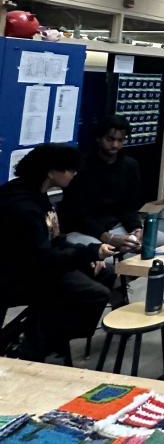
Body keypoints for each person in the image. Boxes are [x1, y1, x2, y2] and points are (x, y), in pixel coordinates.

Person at [0, 144, 112, 360]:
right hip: (16, 274)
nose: (74, 173)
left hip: (38, 265)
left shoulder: (39, 194)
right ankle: (30, 344)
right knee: (95, 294)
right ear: (51, 172)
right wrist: (88, 254)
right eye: (70, 169)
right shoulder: (22, 206)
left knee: (106, 273)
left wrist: (89, 253)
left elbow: (56, 240)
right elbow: (42, 257)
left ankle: (45, 338)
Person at [58, 114, 144, 256]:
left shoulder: (130, 166)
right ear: (99, 138)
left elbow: (129, 206)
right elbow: (77, 214)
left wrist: (136, 228)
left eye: (120, 140)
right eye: (110, 139)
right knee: (105, 256)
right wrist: (107, 237)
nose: (115, 145)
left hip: (116, 225)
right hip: (83, 229)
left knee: (159, 243)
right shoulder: (81, 167)